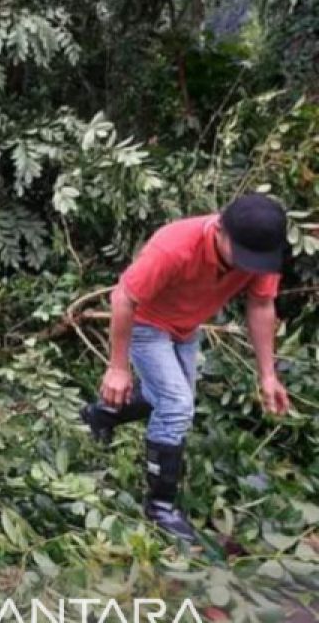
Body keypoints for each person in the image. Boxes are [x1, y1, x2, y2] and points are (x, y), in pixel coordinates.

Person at [80, 194, 291, 543]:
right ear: (220, 229)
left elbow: (261, 303)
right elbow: (123, 298)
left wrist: (268, 375)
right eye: (242, 256)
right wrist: (117, 367)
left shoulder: (260, 251)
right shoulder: (175, 246)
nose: (249, 267)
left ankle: (100, 416)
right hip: (146, 324)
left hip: (186, 328)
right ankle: (159, 506)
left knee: (161, 397)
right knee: (177, 406)